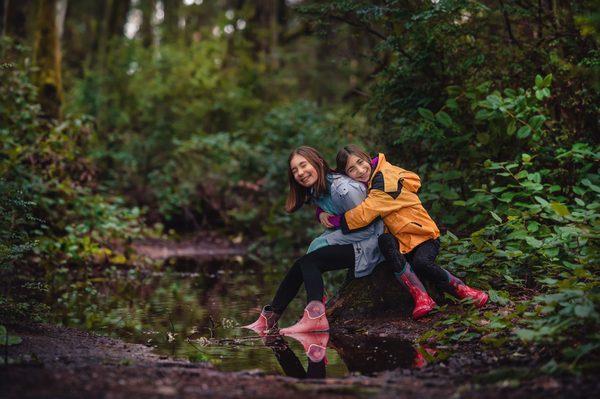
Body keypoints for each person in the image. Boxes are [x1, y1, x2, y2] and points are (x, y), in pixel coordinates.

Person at [319, 145, 488, 312]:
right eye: (352, 169)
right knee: (384, 241)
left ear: (367, 158)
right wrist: (320, 211)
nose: (360, 170)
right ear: (347, 175)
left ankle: (463, 290)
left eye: (361, 162)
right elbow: (334, 194)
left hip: (422, 236)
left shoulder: (384, 178)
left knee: (421, 263)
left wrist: (335, 220)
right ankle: (422, 298)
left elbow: (365, 212)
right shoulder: (369, 182)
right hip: (402, 241)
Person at [243, 146, 385, 334]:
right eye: (295, 170)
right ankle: (270, 317)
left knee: (311, 260)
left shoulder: (344, 189)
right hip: (356, 240)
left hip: (373, 244)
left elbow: (370, 227)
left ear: (317, 161)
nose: (301, 173)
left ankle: (315, 317)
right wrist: (321, 215)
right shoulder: (317, 188)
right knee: (302, 264)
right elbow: (332, 211)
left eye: (303, 165)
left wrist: (328, 240)